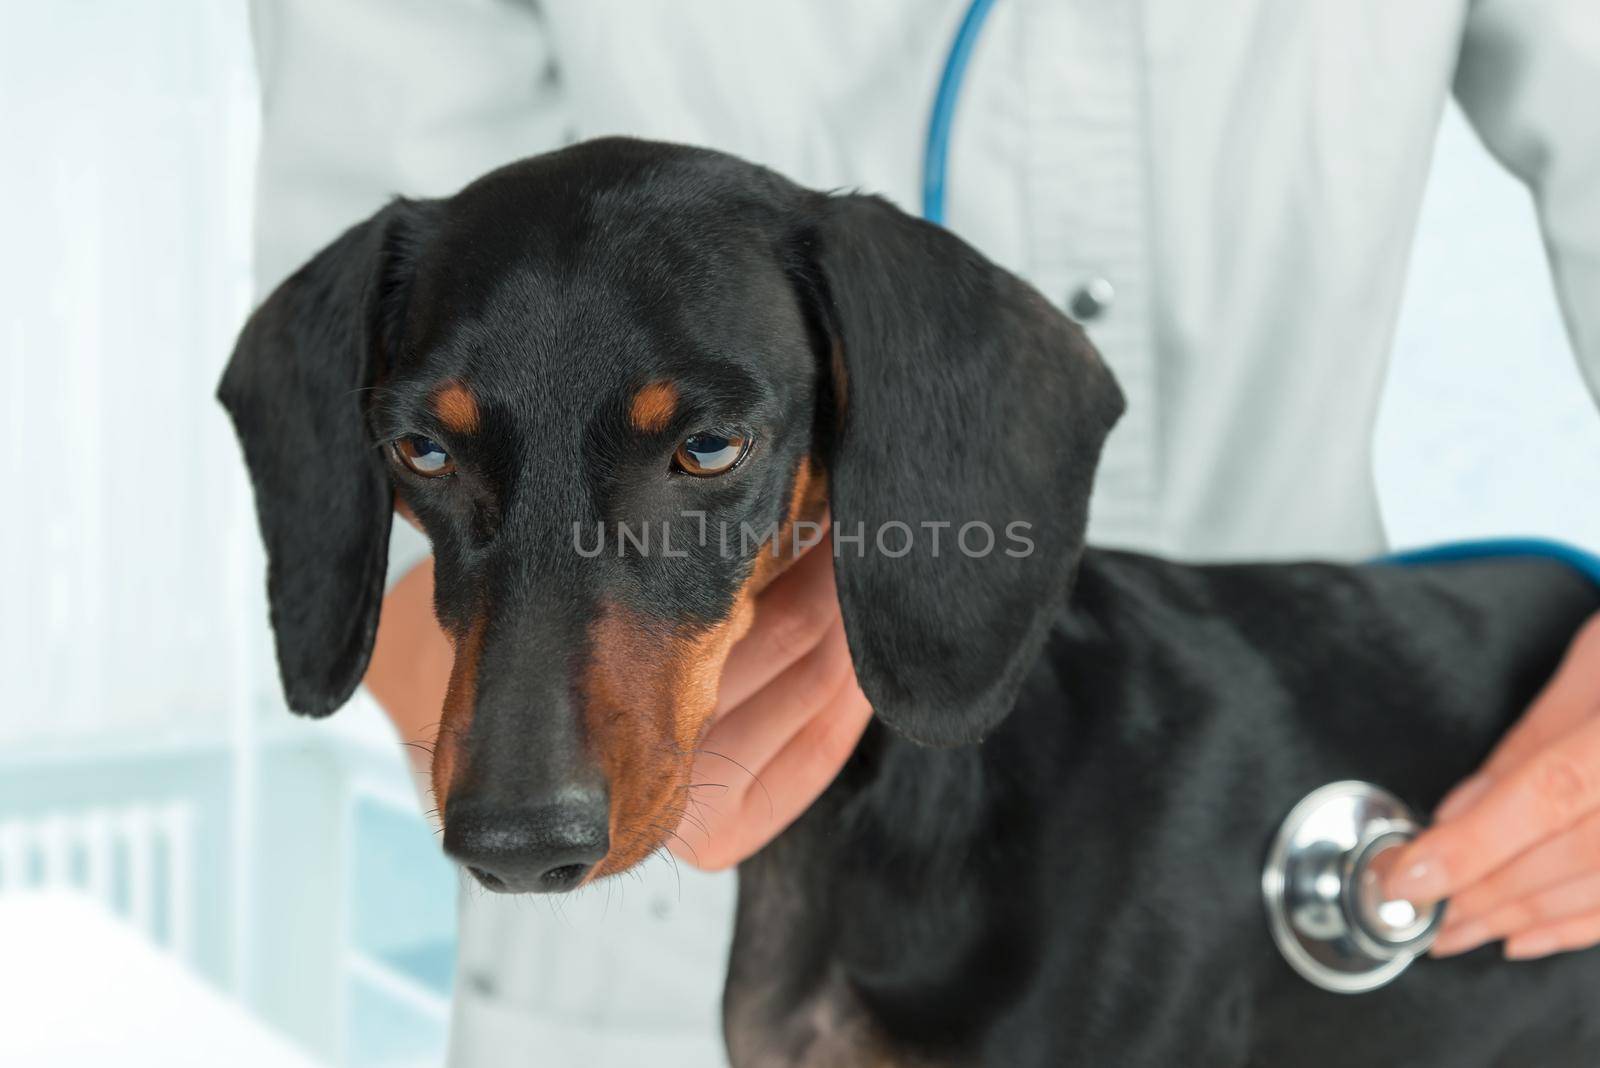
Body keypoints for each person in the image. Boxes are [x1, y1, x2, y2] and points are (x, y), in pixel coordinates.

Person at [249, 1, 1600, 1062]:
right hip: (660, 964)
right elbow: (384, 390)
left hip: (1307, 839)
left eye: (705, 443)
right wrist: (562, 744)